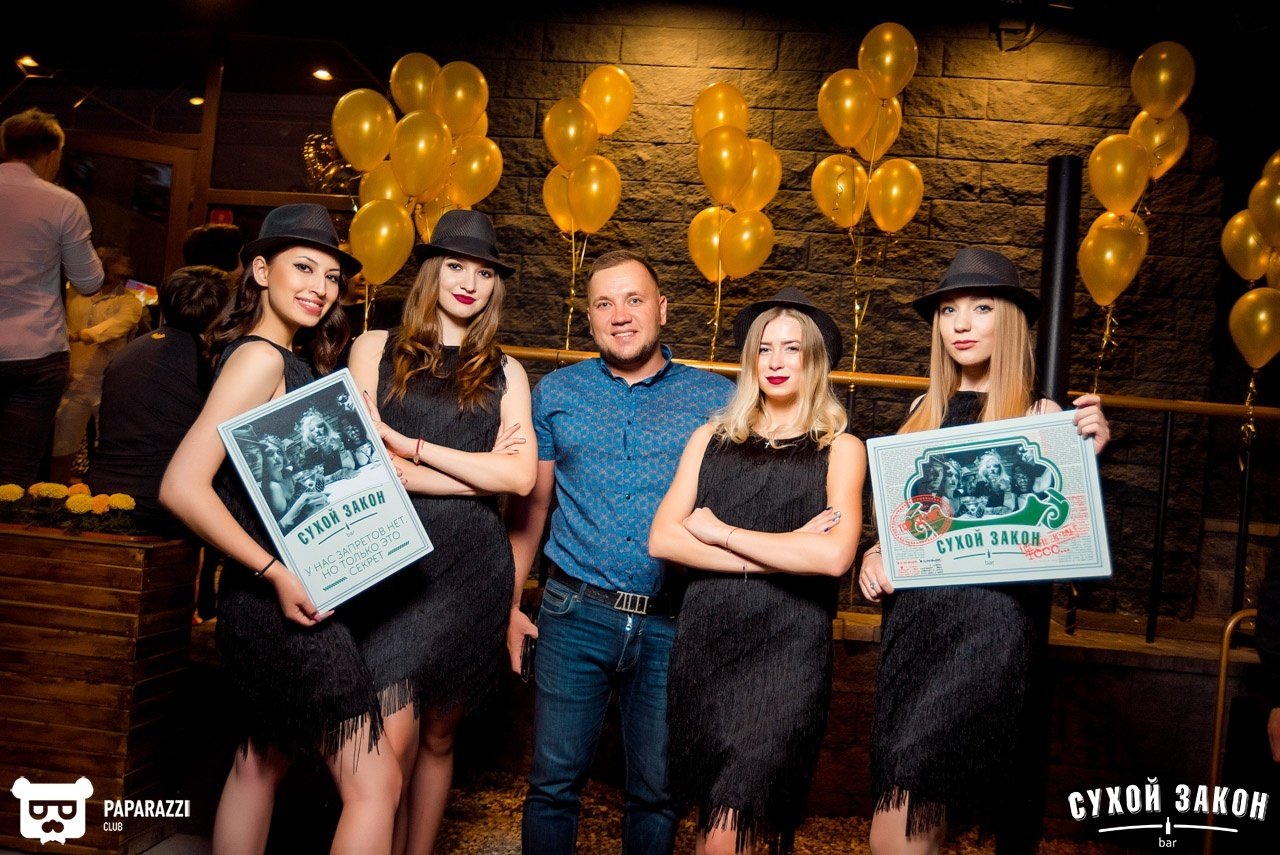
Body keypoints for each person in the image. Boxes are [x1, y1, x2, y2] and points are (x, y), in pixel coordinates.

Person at [160, 203, 401, 854]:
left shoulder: (283, 360)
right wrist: (275, 573)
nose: (321, 286)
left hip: (266, 599)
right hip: (280, 603)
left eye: (332, 276)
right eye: (304, 267)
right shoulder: (261, 360)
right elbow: (181, 484)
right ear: (261, 271)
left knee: (259, 763)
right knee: (376, 784)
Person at [857, 247, 1110, 855]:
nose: (961, 324)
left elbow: (1065, 538)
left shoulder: (1041, 415)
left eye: (981, 308)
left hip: (985, 630)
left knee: (901, 822)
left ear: (1011, 321)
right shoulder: (921, 412)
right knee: (919, 815)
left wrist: (1086, 460)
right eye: (949, 311)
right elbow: (911, 525)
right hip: (914, 630)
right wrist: (875, 553)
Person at [505, 250, 734, 855]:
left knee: (656, 793)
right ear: (589, 318)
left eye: (634, 300)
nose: (621, 315)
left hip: (672, 622)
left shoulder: (719, 398)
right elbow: (531, 509)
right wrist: (510, 603)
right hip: (573, 613)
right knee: (552, 785)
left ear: (662, 309)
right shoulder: (557, 392)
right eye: (604, 304)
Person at [346, 208, 536, 855]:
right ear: (432, 271)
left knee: (440, 734)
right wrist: (477, 473)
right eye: (456, 266)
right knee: (389, 737)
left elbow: (519, 478)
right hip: (393, 561)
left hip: (471, 568)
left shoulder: (507, 371)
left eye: (484, 273)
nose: (469, 283)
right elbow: (363, 464)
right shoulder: (374, 347)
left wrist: (410, 456)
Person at [649, 287, 865, 854]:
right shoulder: (711, 438)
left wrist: (719, 532)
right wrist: (788, 549)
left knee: (733, 820)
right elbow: (663, 538)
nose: (775, 361)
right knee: (716, 818)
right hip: (708, 644)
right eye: (764, 348)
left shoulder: (841, 448)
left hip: (787, 652)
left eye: (792, 348)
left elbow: (833, 557)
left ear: (814, 359)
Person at [0, 107, 105, 485]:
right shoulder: (62, 203)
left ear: (6, 147)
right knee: (15, 471)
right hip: (37, 350)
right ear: (53, 153)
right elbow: (89, 282)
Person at [86, 264, 231, 534]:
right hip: (161, 500)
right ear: (222, 315)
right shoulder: (210, 360)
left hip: (103, 490)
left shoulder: (131, 350)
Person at [49, 246, 145, 483]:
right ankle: (55, 494)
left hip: (110, 384)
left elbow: (115, 327)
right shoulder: (73, 294)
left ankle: (103, 495)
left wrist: (78, 335)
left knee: (110, 444)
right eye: (115, 273)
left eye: (124, 275)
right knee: (62, 445)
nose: (120, 279)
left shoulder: (130, 302)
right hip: (74, 382)